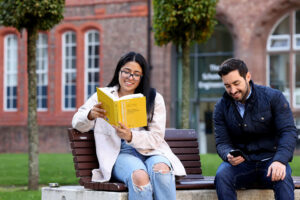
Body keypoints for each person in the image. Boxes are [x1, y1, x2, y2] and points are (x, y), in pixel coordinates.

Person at [72, 51, 186, 200]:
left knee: (162, 171)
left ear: (142, 77)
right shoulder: (103, 96)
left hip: (151, 151)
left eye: (136, 74)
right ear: (119, 71)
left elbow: (156, 137)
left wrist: (131, 136)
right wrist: (90, 115)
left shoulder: (154, 98)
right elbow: (76, 123)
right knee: (139, 177)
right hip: (119, 153)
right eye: (126, 71)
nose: (130, 77)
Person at [213, 58, 298, 200]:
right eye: (227, 86)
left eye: (236, 83)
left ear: (247, 76)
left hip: (271, 161)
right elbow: (222, 142)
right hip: (242, 165)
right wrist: (228, 154)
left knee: (283, 178)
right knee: (222, 176)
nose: (233, 90)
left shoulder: (273, 97)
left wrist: (280, 160)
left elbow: (288, 131)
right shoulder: (221, 107)